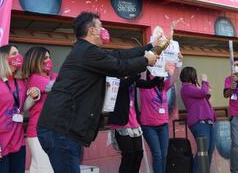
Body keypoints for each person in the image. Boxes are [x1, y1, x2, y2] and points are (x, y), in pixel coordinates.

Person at [37, 11, 158, 173]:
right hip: (60, 130)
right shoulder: (87, 52)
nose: (104, 30)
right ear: (92, 30)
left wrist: (149, 47)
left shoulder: (87, 51)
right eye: (101, 26)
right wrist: (146, 61)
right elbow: (120, 67)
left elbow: (119, 55)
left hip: (63, 129)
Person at [0, 44, 39, 173]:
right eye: (14, 53)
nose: (18, 56)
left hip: (17, 143)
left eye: (18, 53)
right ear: (2, 58)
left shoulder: (20, 82)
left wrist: (32, 98)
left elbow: (21, 108)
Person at [109, 74, 164, 173]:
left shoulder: (133, 79)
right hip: (121, 122)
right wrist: (136, 74)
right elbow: (123, 84)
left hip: (134, 122)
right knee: (128, 155)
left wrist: (159, 78)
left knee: (138, 154)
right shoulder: (116, 77)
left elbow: (148, 84)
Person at [139, 62, 182, 173]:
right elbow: (143, 72)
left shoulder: (164, 86)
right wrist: (149, 58)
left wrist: (178, 63)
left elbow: (175, 78)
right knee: (157, 154)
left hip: (163, 125)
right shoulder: (144, 85)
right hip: (149, 126)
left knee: (164, 154)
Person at [22, 46, 56, 173]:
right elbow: (57, 86)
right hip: (39, 131)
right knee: (45, 168)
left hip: (45, 130)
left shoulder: (51, 77)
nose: (49, 60)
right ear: (35, 61)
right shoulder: (35, 78)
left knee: (38, 168)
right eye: (45, 58)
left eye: (49, 57)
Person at [180, 67, 216, 173]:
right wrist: (204, 80)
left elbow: (204, 94)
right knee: (203, 151)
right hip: (199, 123)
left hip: (207, 122)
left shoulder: (193, 88)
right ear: (191, 75)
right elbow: (203, 92)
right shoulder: (186, 87)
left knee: (208, 151)